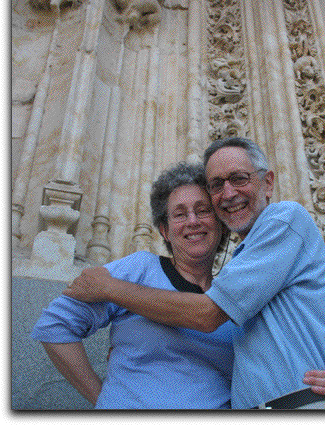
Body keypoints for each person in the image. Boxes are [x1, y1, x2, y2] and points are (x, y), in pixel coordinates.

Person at [65, 137, 325, 410]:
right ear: (165, 230)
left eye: (239, 178)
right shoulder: (237, 272)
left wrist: (109, 288)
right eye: (216, 185)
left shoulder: (284, 220)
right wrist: (109, 398)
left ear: (267, 182)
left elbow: (206, 316)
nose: (228, 193)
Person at [32, 163, 235, 409]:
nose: (192, 221)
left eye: (203, 211)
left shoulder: (232, 295)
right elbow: (55, 324)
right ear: (165, 231)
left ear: (221, 224)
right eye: (179, 214)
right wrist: (104, 400)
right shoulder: (140, 268)